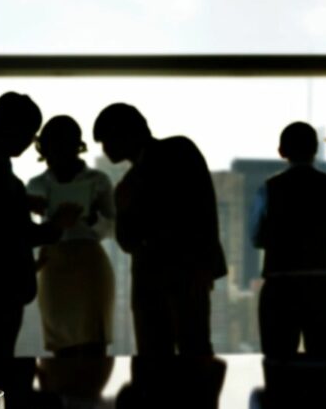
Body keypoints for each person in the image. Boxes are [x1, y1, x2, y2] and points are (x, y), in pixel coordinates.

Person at [0, 92, 79, 363]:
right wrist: (58, 223)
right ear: (15, 130)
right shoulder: (4, 179)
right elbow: (18, 233)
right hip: (1, 291)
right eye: (30, 133)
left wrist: (20, 200)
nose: (31, 142)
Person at [92, 103, 227, 357]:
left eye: (108, 139)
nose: (106, 148)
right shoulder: (175, 153)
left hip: (175, 274)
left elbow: (199, 212)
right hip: (168, 276)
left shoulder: (155, 165)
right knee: (187, 349)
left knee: (175, 351)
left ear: (127, 133)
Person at [251, 122, 326, 358]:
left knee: (277, 362)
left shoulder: (268, 189)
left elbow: (255, 237)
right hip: (321, 284)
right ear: (315, 150)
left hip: (279, 284)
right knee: (323, 361)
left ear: (281, 151)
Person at [27, 116, 118, 357]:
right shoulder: (35, 186)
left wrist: (93, 220)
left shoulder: (98, 181)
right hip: (53, 261)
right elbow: (25, 232)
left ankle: (87, 392)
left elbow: (112, 227)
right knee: (60, 340)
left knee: (92, 336)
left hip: (88, 262)